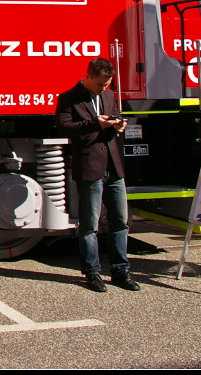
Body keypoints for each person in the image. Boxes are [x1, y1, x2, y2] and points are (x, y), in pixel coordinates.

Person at [55, 58, 139, 292]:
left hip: (114, 165)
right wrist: (95, 123)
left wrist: (119, 123)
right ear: (89, 77)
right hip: (90, 166)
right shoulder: (69, 97)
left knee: (120, 221)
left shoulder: (109, 96)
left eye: (107, 84)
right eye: (100, 84)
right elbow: (64, 127)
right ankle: (92, 272)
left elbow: (115, 114)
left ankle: (121, 270)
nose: (104, 88)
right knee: (90, 223)